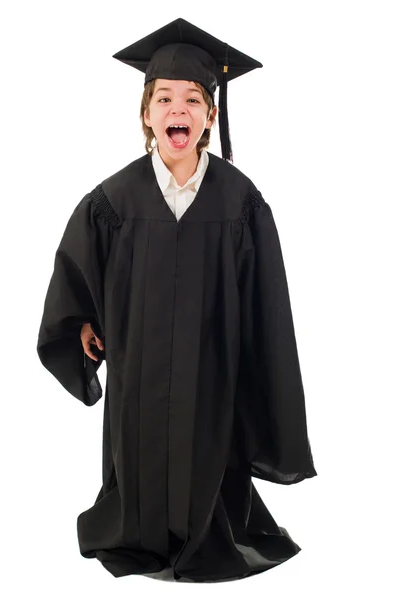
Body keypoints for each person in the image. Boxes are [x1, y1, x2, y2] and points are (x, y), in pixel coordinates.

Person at [36, 17, 318, 584]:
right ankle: (139, 532)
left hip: (216, 375)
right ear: (147, 113)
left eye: (193, 98)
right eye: (164, 97)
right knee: (137, 446)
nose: (177, 109)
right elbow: (76, 271)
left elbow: (267, 302)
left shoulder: (240, 202)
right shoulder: (114, 200)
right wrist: (86, 321)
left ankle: (211, 531)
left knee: (209, 443)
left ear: (211, 115)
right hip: (138, 375)